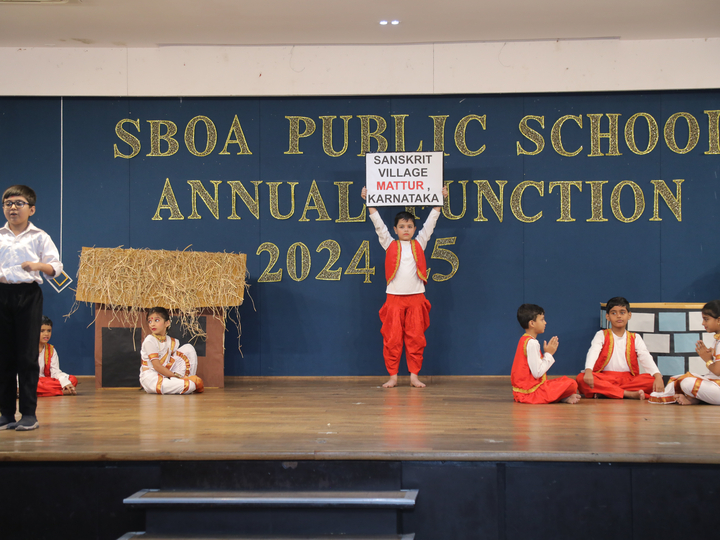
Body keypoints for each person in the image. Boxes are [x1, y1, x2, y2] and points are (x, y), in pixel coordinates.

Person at [361, 185, 447, 388]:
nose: (406, 229)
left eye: (409, 226)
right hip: (394, 299)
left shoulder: (420, 243)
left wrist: (440, 201)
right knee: (392, 339)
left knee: (415, 338)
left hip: (416, 298)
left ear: (415, 229)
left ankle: (414, 376)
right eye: (402, 226)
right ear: (395, 229)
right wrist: (369, 202)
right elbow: (378, 224)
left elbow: (431, 223)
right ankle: (393, 376)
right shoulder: (389, 244)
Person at [0, 185, 63, 431]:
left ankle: (28, 414)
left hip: (28, 295)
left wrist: (37, 265)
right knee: (4, 356)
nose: (12, 208)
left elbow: (55, 268)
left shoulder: (40, 236)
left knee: (27, 355)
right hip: (2, 293)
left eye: (19, 203)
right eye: (8, 204)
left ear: (31, 209)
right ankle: (6, 413)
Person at [577, 296, 664, 400]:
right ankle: (628, 394)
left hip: (628, 379)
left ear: (629, 315)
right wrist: (588, 371)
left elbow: (645, 356)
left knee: (651, 380)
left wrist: (657, 376)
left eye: (622, 312)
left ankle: (607, 392)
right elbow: (593, 351)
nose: (618, 316)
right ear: (607, 316)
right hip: (605, 377)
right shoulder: (601, 334)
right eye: (614, 313)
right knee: (581, 378)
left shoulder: (635, 338)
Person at [649, 300, 720, 405]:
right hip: (715, 384)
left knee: (687, 383)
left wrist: (708, 360)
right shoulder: (717, 340)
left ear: (718, 320)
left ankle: (696, 399)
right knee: (680, 378)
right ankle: (695, 399)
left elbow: (718, 371)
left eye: (706, 319)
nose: (703, 323)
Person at [511, 304, 580, 404]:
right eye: (542, 319)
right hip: (531, 394)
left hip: (523, 392)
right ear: (532, 323)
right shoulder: (532, 343)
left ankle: (562, 397)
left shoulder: (524, 339)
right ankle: (561, 397)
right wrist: (548, 354)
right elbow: (537, 373)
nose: (545, 322)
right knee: (571, 384)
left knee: (564, 381)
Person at [139, 307, 204, 395]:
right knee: (190, 386)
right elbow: (157, 366)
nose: (152, 324)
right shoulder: (149, 341)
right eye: (150, 321)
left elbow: (174, 361)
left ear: (167, 323)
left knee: (189, 348)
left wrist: (177, 375)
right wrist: (176, 376)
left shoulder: (171, 341)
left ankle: (187, 378)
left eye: (156, 320)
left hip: (166, 374)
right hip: (152, 378)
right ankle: (184, 381)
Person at [37, 315, 78, 397]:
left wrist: (64, 382)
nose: (46, 334)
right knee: (31, 383)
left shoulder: (51, 350)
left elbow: (55, 371)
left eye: (49, 331)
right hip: (30, 380)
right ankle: (60, 392)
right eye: (42, 331)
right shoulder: (26, 349)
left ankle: (37, 392)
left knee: (73, 380)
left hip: (45, 381)